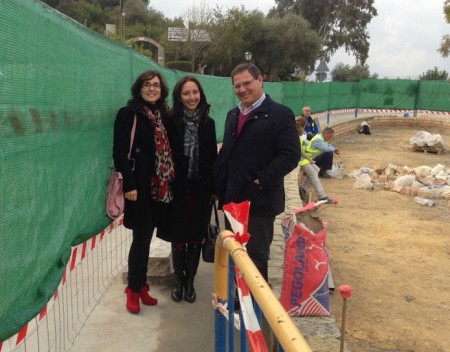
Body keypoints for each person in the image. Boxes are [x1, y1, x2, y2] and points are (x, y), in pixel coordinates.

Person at [214, 63, 300, 282]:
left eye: (247, 83)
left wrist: (260, 180)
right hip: (232, 199)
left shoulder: (280, 115)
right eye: (237, 86)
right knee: (234, 251)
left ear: (260, 80)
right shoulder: (233, 114)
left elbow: (290, 155)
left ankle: (254, 307)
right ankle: (235, 300)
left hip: (260, 202)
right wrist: (218, 186)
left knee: (256, 257)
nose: (242, 89)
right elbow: (227, 153)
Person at [113, 70, 174, 313]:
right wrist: (129, 185)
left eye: (156, 85)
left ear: (162, 90)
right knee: (140, 239)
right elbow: (119, 152)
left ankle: (142, 285)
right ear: (139, 88)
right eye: (147, 85)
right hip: (139, 187)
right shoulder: (128, 114)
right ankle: (133, 290)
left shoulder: (163, 116)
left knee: (147, 238)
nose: (152, 89)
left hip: (160, 188)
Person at [158, 76, 217, 303]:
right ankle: (178, 281)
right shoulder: (170, 121)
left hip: (200, 188)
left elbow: (212, 156)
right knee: (178, 235)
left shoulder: (208, 123)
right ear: (179, 97)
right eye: (186, 93)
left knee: (196, 235)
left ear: (200, 94)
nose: (192, 97)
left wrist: (214, 189)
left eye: (195, 92)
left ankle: (190, 279)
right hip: (177, 188)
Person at [295, 116, 333, 204]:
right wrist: (309, 159)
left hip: (303, 158)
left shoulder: (301, 134)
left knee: (316, 170)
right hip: (301, 159)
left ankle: (303, 188)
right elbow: (300, 151)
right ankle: (322, 196)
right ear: (304, 126)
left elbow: (303, 143)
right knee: (313, 174)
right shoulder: (300, 135)